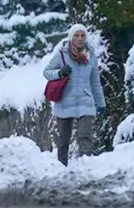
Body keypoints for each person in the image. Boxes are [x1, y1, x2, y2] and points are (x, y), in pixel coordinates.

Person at [41, 23, 106, 166]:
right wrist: (59, 72)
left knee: (85, 137)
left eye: (83, 35)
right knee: (63, 140)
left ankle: (86, 167)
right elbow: (46, 72)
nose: (80, 39)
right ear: (71, 38)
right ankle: (61, 168)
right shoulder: (61, 54)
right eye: (76, 35)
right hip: (65, 101)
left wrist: (101, 104)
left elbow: (95, 82)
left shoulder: (91, 56)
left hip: (85, 101)